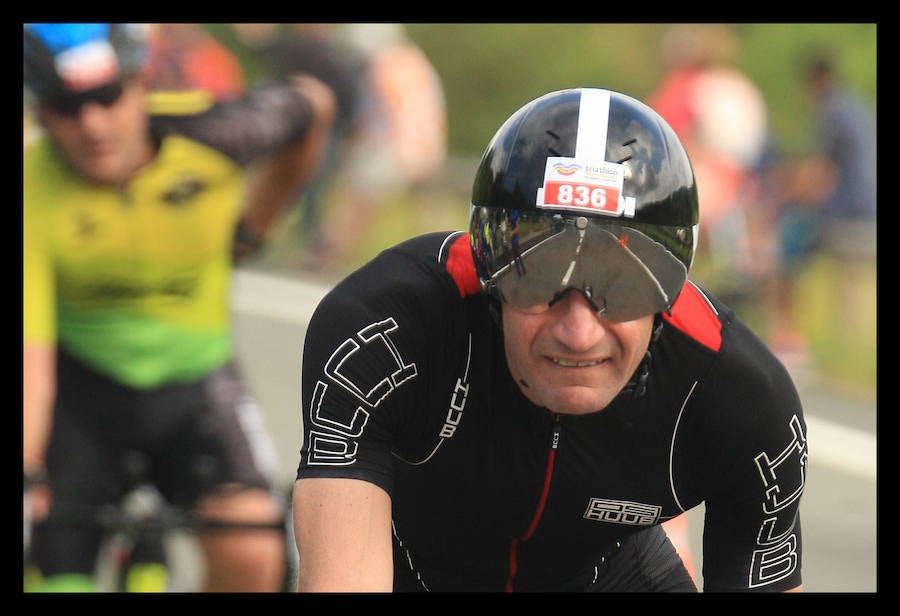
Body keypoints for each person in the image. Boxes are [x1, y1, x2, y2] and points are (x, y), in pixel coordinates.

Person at [292, 87, 807, 592]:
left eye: (619, 286)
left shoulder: (738, 394)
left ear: (668, 291)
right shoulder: (390, 329)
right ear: (490, 271)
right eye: (537, 279)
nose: (578, 333)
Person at [23, 23, 336, 592]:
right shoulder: (32, 184)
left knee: (254, 549)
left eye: (106, 97)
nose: (91, 123)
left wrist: (254, 226)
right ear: (41, 114)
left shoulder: (214, 132)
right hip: (79, 402)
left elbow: (313, 104)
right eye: (67, 107)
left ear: (140, 83)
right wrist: (29, 472)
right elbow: (31, 358)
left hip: (197, 391)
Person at [764, 48, 876, 368]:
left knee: (783, 251)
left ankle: (788, 340)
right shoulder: (855, 106)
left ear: (814, 80)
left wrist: (780, 195)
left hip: (844, 211)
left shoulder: (832, 111)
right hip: (866, 206)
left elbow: (817, 172)